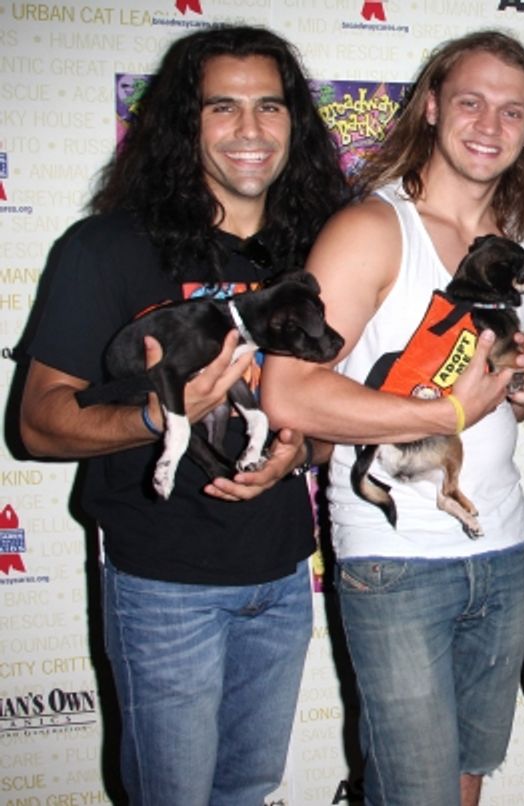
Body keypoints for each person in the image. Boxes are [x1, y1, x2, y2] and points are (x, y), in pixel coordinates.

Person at [18, 26, 348, 806]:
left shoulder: (315, 256)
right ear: (182, 125)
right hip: (164, 585)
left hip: (281, 574)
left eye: (270, 106)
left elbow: (334, 421)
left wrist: (298, 453)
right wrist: (166, 414)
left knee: (248, 790)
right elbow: (37, 424)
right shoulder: (104, 250)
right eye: (222, 108)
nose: (250, 130)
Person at [260, 30, 524, 806]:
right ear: (430, 108)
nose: (490, 124)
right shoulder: (372, 230)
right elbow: (289, 391)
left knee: (463, 778)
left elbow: (512, 400)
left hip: (502, 545)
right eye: (470, 102)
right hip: (396, 561)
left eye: (512, 111)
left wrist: (523, 392)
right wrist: (452, 408)